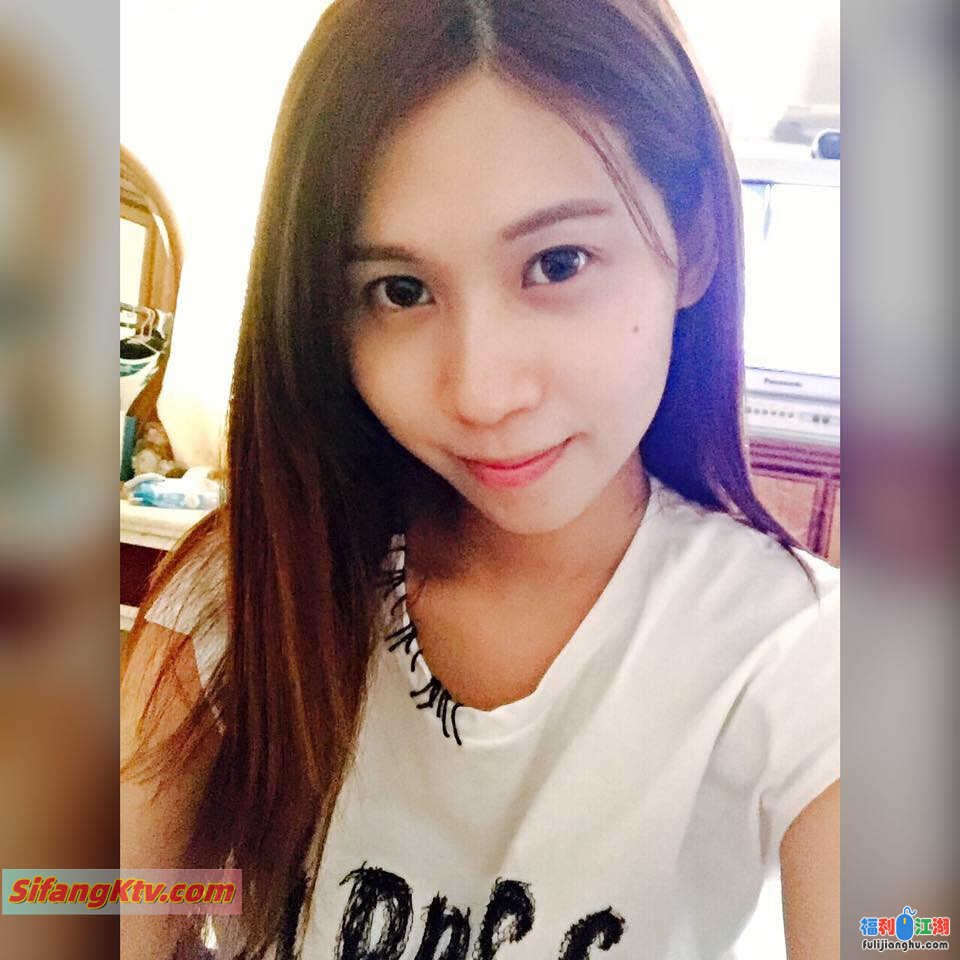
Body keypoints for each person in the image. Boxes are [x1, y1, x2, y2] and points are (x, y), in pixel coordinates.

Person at [121, 1, 840, 958]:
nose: (483, 393)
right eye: (400, 291)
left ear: (695, 239)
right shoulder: (254, 589)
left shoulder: (804, 660)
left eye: (557, 263)